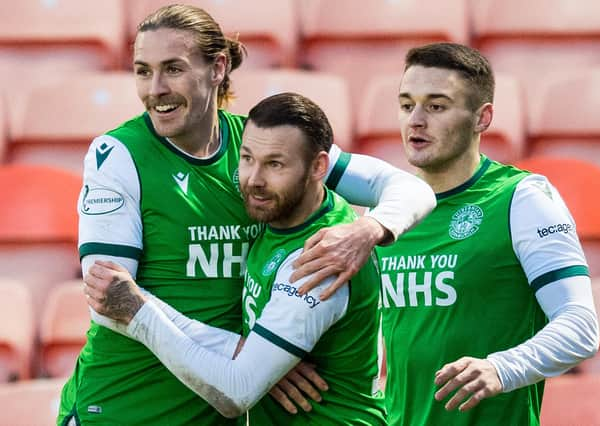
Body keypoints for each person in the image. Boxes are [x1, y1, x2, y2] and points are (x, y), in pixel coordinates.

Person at [58, 4, 435, 426]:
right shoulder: (118, 155)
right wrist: (254, 356)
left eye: (174, 69)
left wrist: (369, 228)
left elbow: (412, 189)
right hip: (128, 403)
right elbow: (109, 300)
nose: (156, 88)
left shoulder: (260, 149)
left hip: (219, 408)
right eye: (143, 71)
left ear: (218, 68)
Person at [85, 92, 387, 425]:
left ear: (318, 167)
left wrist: (138, 312)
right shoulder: (279, 219)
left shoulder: (318, 258)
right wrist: (259, 356)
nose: (254, 179)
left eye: (275, 164)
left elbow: (236, 391)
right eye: (246, 158)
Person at [376, 42, 599, 426]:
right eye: (406, 104)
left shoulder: (521, 199)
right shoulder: (387, 210)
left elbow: (581, 327)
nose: (415, 119)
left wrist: (503, 368)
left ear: (482, 118)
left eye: (437, 106)